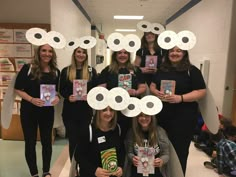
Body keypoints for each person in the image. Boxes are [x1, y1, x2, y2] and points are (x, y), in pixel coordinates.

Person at [150, 46, 206, 175]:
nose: (174, 53)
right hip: (161, 116)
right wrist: (156, 92)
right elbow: (153, 85)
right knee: (160, 148)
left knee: (179, 151)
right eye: (172, 51)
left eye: (178, 51)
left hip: (183, 119)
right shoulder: (162, 69)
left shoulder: (192, 71)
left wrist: (180, 98)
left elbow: (201, 92)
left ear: (185, 53)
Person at [14, 44, 60, 177]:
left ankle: (46, 171)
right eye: (44, 50)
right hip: (29, 111)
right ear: (38, 52)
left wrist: (57, 97)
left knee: (47, 142)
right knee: (30, 142)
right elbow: (17, 89)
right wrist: (31, 99)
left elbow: (57, 90)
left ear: (53, 54)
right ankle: (33, 173)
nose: (47, 53)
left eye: (50, 51)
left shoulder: (55, 71)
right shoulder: (28, 69)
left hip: (47, 112)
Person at [59, 47, 98, 174]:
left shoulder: (91, 71)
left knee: (84, 140)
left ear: (86, 55)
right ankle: (73, 168)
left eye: (83, 52)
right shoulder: (66, 70)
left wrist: (90, 96)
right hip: (70, 112)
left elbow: (97, 89)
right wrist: (68, 96)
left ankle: (83, 166)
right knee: (73, 140)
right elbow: (61, 89)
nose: (81, 55)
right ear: (74, 54)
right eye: (78, 52)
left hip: (85, 112)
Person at [98, 49, 146, 138]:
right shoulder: (108, 70)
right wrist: (110, 94)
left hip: (132, 107)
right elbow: (101, 88)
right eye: (119, 53)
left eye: (125, 53)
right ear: (115, 55)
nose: (122, 55)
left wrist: (136, 92)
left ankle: (130, 151)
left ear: (128, 55)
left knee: (131, 133)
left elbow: (143, 87)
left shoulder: (136, 70)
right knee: (115, 133)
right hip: (113, 109)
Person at [76, 106, 124, 177]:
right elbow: (78, 155)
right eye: (104, 110)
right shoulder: (88, 130)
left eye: (111, 110)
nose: (108, 113)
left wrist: (120, 167)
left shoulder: (117, 129)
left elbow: (121, 151)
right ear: (98, 112)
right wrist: (94, 170)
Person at [124, 113, 170, 177]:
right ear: (136, 118)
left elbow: (166, 154)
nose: (144, 118)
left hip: (155, 173)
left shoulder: (160, 132)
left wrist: (161, 160)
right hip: (136, 173)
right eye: (140, 116)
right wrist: (132, 158)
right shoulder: (131, 132)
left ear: (152, 117)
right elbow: (129, 152)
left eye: (147, 115)